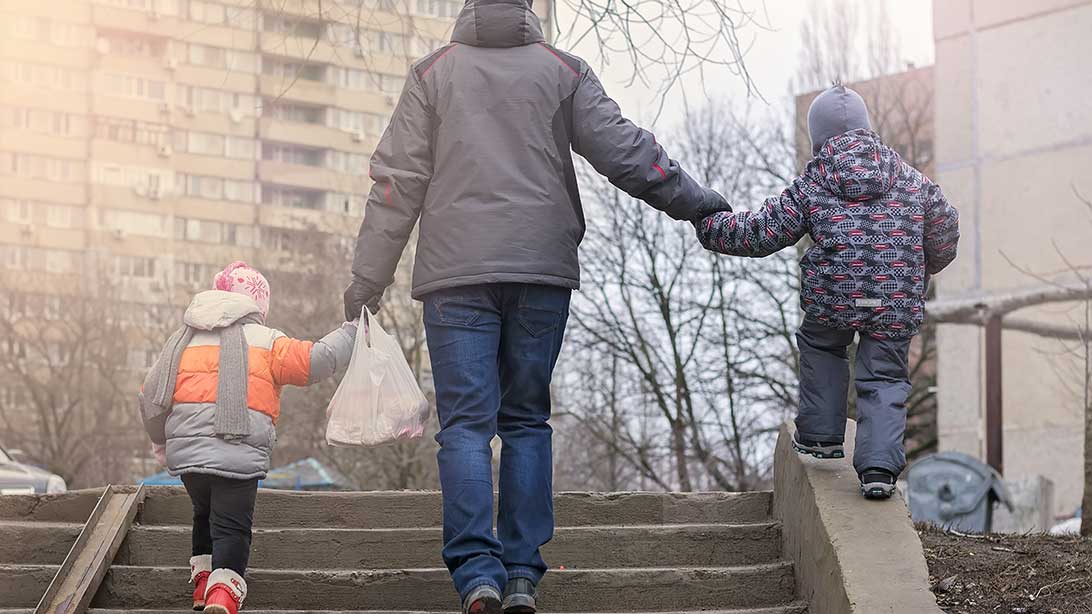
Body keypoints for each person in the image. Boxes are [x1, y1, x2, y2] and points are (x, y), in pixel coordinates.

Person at [342, 0, 729, 611]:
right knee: (525, 420)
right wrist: (699, 203)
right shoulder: (562, 71)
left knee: (466, 425)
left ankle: (477, 573)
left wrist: (368, 278)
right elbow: (628, 152)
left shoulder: (432, 74)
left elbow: (397, 185)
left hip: (455, 276)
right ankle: (522, 571)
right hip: (540, 273)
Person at [694, 84, 960, 500]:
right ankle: (878, 469)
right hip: (894, 298)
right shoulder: (911, 179)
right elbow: (945, 230)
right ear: (867, 129)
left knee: (822, 346)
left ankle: (820, 437)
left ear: (818, 137)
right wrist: (922, 268)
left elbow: (762, 232)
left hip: (836, 295)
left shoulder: (815, 182)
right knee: (886, 375)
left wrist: (709, 225)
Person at [139, 262, 356, 614]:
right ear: (258, 305)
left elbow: (149, 394)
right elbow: (317, 360)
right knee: (231, 527)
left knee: (203, 515)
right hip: (236, 453)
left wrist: (160, 441)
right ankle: (223, 595)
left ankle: (202, 587)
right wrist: (351, 332)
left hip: (189, 458)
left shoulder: (182, 340)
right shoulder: (267, 341)